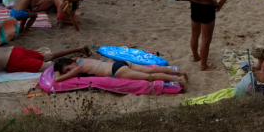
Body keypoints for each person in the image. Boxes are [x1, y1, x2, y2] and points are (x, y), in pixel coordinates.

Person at [176, 0, 227, 71]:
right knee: (206, 39)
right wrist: (219, 5)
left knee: (195, 35)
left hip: (196, 7)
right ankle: (203, 65)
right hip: (208, 8)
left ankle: (195, 57)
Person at [53, 57, 187, 89]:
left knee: (149, 77)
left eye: (68, 69)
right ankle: (179, 73)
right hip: (120, 63)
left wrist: (58, 71)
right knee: (149, 70)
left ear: (71, 63)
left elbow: (58, 80)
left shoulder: (78, 68)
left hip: (117, 70)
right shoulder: (83, 60)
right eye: (67, 72)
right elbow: (75, 59)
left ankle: (180, 80)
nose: (70, 72)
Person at [0, 42, 91, 73]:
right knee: (48, 55)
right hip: (14, 50)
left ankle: (77, 64)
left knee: (51, 66)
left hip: (12, 60)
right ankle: (79, 49)